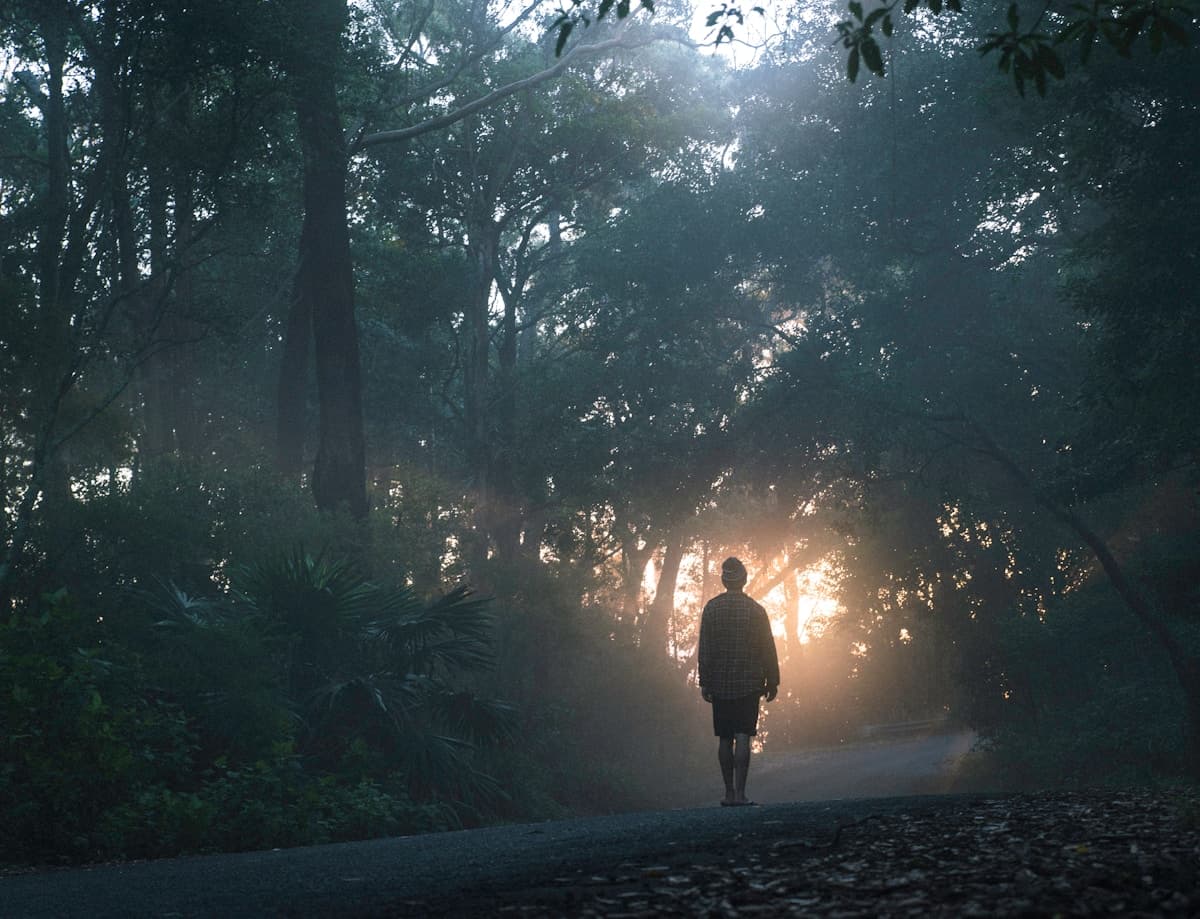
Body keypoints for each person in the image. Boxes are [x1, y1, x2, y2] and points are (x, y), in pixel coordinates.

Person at [697, 556, 780, 806]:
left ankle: (728, 794)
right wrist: (772, 680)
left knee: (724, 737)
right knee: (743, 735)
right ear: (744, 580)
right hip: (749, 682)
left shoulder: (711, 608)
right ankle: (741, 794)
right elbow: (768, 648)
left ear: (724, 581)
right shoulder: (756, 610)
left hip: (720, 683)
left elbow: (705, 648)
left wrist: (705, 680)